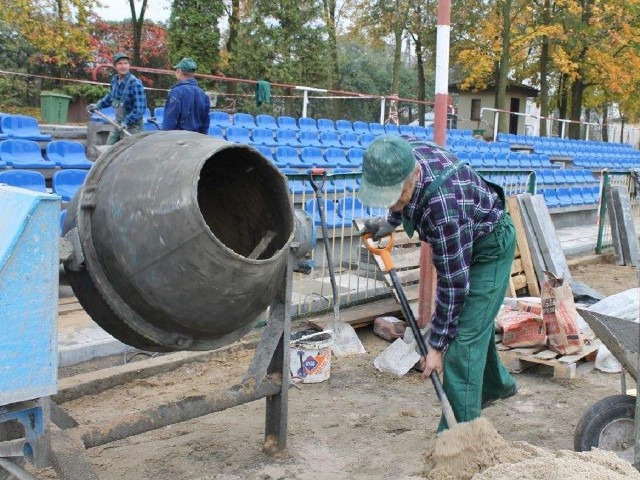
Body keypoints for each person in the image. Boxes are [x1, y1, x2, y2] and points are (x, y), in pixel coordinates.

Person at [357, 135, 518, 432]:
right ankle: (496, 385)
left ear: (414, 175)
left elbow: (454, 285)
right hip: (463, 234)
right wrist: (390, 223)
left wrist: (436, 346)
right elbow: (401, 200)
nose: (391, 202)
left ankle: (459, 436)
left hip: (489, 248)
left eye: (395, 195)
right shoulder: (400, 151)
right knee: (474, 326)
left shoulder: (444, 210)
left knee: (463, 342)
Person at [87, 52, 147, 145]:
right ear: (115, 66)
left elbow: (139, 110)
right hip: (118, 124)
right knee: (108, 150)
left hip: (133, 128)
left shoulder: (135, 84)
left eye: (125, 63)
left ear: (129, 65)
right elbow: (110, 97)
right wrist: (98, 105)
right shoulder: (115, 80)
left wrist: (127, 122)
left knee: (127, 154)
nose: (123, 66)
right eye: (120, 63)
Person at [161, 58, 211, 134]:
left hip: (179, 140)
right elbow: (206, 123)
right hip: (197, 140)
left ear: (179, 71)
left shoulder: (176, 92)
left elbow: (169, 122)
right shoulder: (203, 95)